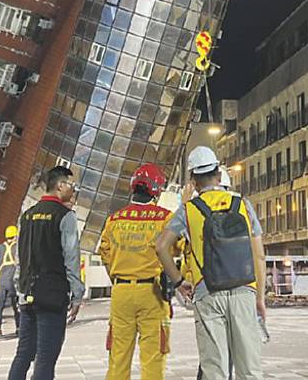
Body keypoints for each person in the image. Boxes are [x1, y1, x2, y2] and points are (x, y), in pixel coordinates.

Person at [156, 146, 266, 380]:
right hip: (244, 291)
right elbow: (259, 256)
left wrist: (178, 282)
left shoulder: (187, 211)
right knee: (250, 369)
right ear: (219, 174)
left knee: (214, 369)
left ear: (193, 181)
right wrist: (259, 297)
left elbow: (161, 247)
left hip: (208, 292)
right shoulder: (243, 205)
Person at [99, 163, 174, 380]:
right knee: (152, 360)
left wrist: (118, 276)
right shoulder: (164, 218)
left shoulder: (114, 220)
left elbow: (104, 254)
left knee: (118, 358)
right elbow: (177, 249)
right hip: (152, 293)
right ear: (156, 190)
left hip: (121, 293)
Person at [8, 166, 85, 380]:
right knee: (45, 358)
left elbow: (20, 258)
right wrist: (77, 294)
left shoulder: (27, 216)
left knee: (23, 354)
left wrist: (20, 289)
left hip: (27, 294)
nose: (73, 190)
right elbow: (71, 259)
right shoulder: (65, 216)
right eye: (72, 185)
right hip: (52, 295)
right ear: (60, 186)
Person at [0, 224, 20, 338]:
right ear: (15, 236)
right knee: (16, 305)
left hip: (2, 279)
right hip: (12, 278)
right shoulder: (17, 247)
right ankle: (18, 328)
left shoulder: (0, 248)